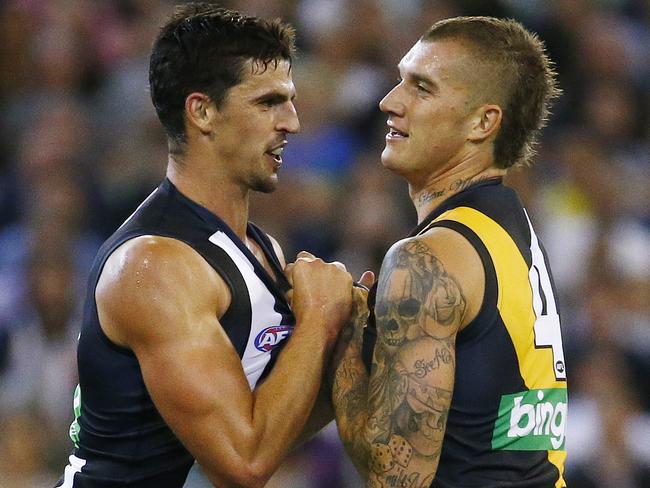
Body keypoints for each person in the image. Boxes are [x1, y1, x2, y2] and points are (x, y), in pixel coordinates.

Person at [54, 4, 355, 487]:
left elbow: (270, 425)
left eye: (290, 101)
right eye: (268, 102)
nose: (292, 123)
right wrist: (318, 320)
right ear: (203, 111)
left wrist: (347, 345)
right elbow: (243, 463)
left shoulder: (260, 249)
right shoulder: (153, 266)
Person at [331, 16, 568, 488]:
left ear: (483, 122)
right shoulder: (513, 232)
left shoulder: (429, 258)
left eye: (421, 88)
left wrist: (340, 335)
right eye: (400, 80)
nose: (389, 102)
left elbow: (397, 476)